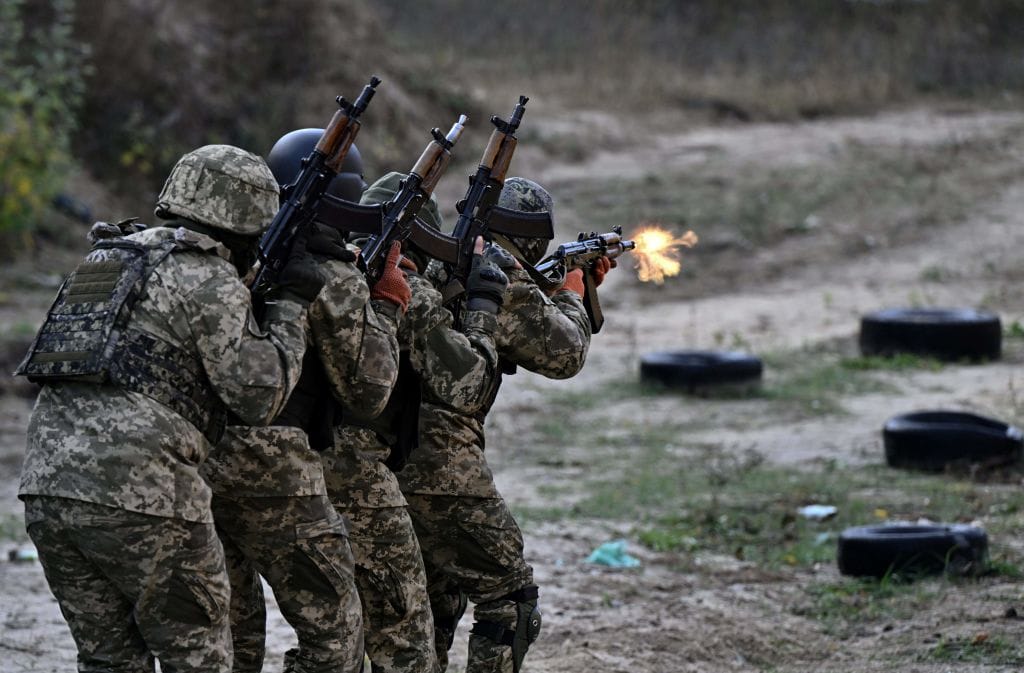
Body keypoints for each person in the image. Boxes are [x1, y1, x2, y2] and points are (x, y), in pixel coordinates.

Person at [16, 145, 316, 672]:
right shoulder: (209, 278)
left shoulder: (108, 258)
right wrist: (290, 308)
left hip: (49, 488)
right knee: (196, 657)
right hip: (145, 499)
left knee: (108, 661)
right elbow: (259, 395)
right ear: (248, 222)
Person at [204, 137, 407, 673]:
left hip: (199, 463)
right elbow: (368, 392)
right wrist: (386, 306)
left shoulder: (217, 255)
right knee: (335, 634)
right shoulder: (331, 273)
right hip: (278, 472)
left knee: (229, 639)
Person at [399, 177, 612, 673]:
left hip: (394, 451)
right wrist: (571, 294)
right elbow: (564, 354)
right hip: (442, 461)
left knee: (434, 599)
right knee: (510, 600)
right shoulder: (500, 273)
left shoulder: (447, 257)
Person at [322, 171, 508, 673]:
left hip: (295, 472)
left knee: (333, 637)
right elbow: (468, 384)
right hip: (357, 477)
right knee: (405, 643)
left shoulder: (328, 267)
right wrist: (483, 306)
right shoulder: (405, 284)